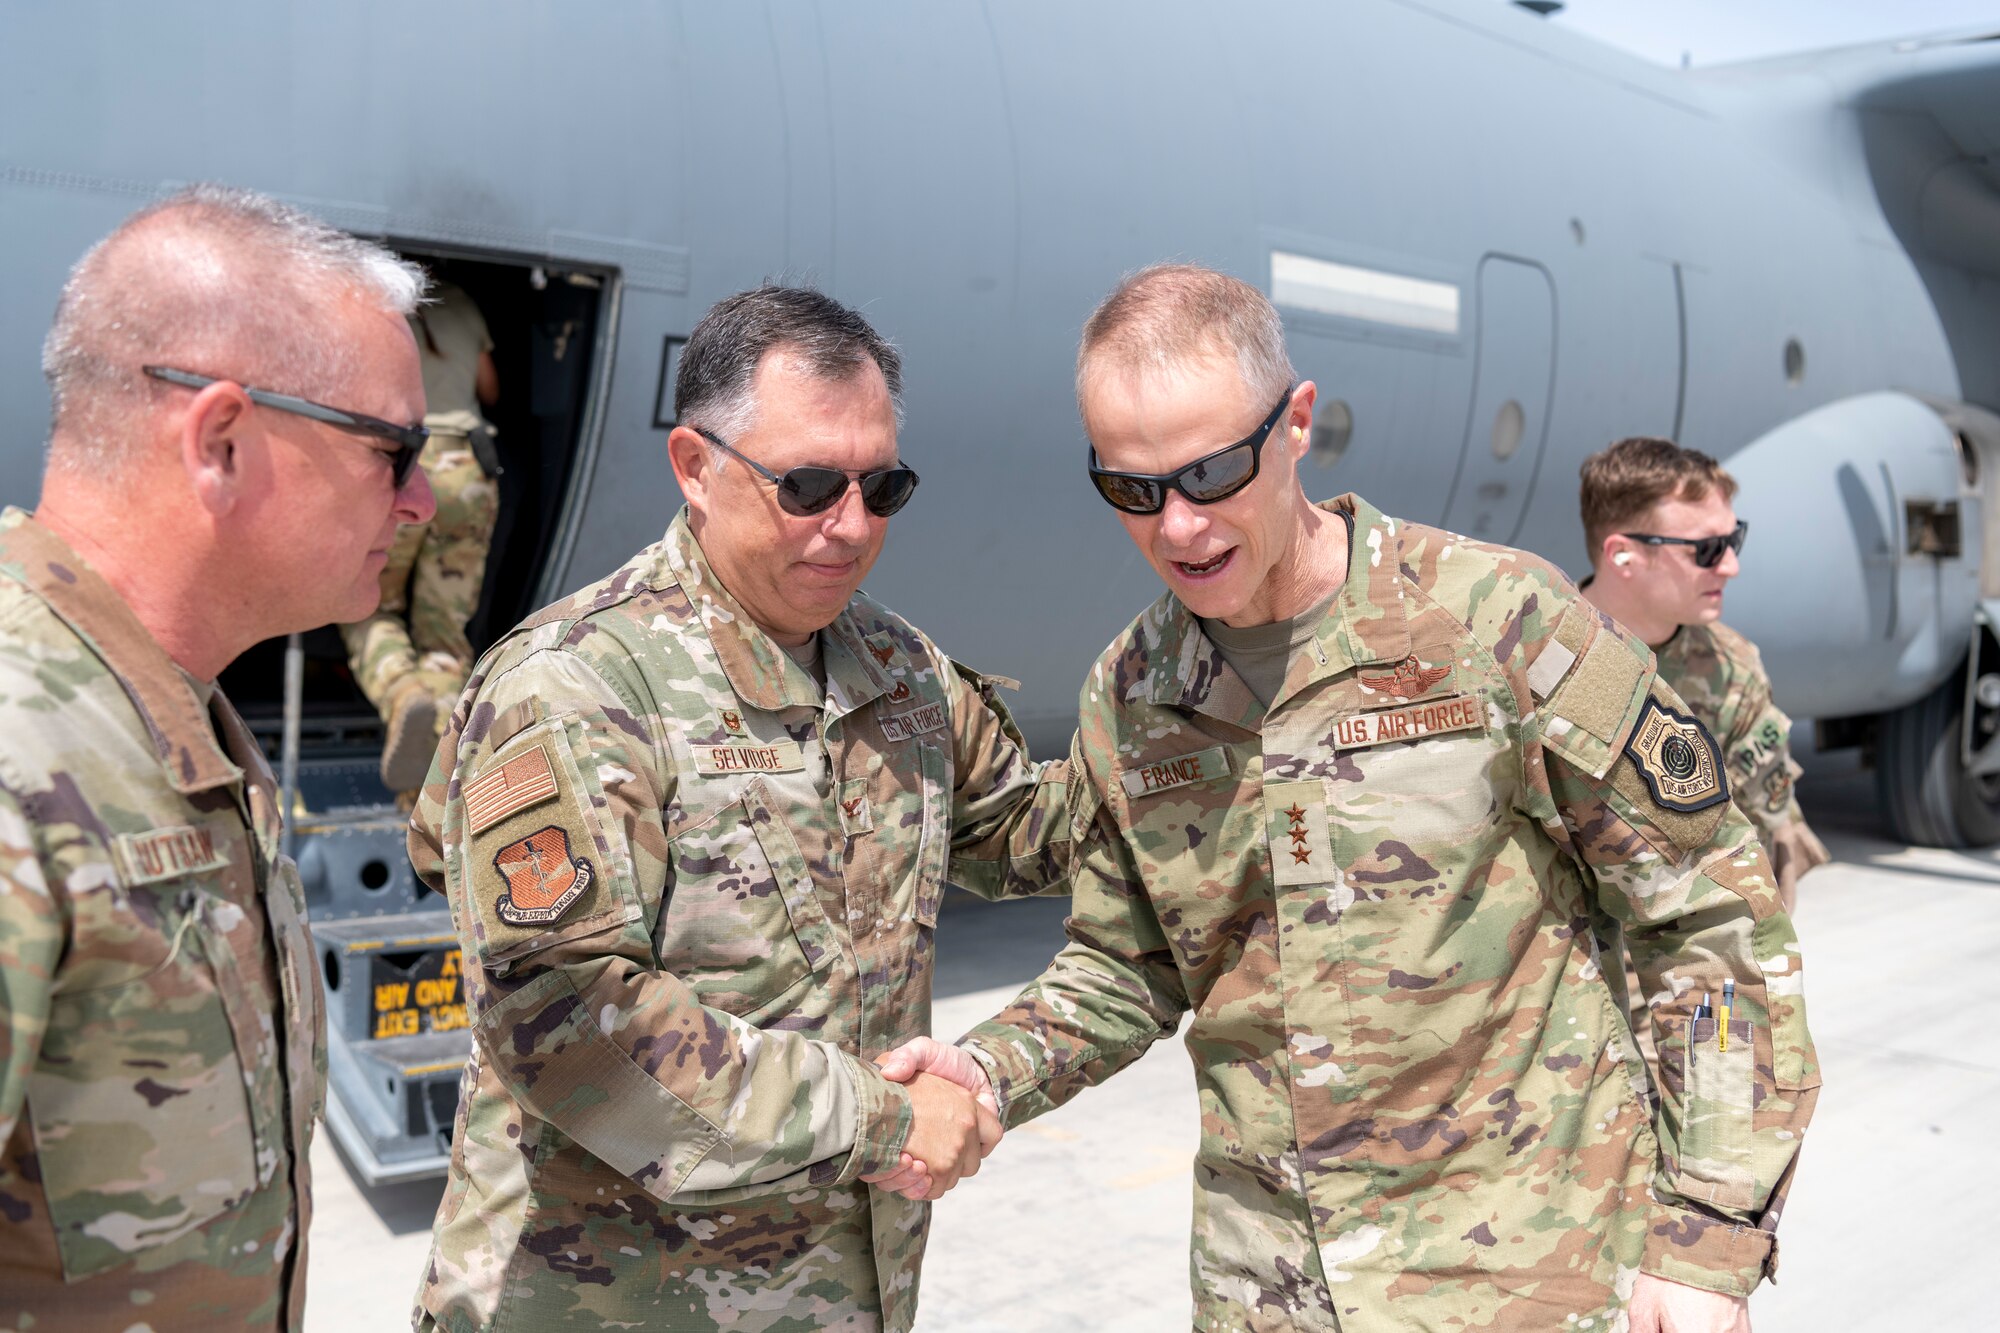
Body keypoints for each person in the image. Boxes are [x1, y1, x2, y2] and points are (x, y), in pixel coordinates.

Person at [876, 265, 1817, 1333]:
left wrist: (1705, 1236)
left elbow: (1710, 916)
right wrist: (991, 1070)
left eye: (1209, 472)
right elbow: (1127, 960)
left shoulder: (1496, 621)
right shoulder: (1135, 691)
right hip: (1267, 1286)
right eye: (1130, 490)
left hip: (1522, 1275)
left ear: (1297, 426)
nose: (1176, 527)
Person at [407, 285, 1071, 1332]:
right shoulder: (577, 688)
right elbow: (570, 1023)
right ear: (694, 466)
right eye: (806, 486)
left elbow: (1017, 831)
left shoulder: (896, 673)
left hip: (838, 1294)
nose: (848, 527)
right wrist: (885, 1117)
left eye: (881, 485)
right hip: (610, 1299)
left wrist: (1197, 736)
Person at [0, 185, 433, 1329]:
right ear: (223, 443)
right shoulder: (20, 757)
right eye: (396, 450)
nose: (425, 501)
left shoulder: (159, 720)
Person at [1579, 437, 1830, 912]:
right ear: (1623, 555)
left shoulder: (1731, 671)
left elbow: (1765, 855)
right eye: (1709, 549)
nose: (1731, 566)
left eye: (1733, 540)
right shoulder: (1534, 655)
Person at [341, 278, 502, 793]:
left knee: (370, 607)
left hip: (406, 466)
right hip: (467, 472)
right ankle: (436, 783)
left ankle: (401, 692)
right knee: (444, 629)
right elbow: (491, 390)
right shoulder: (467, 303)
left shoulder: (379, 307)